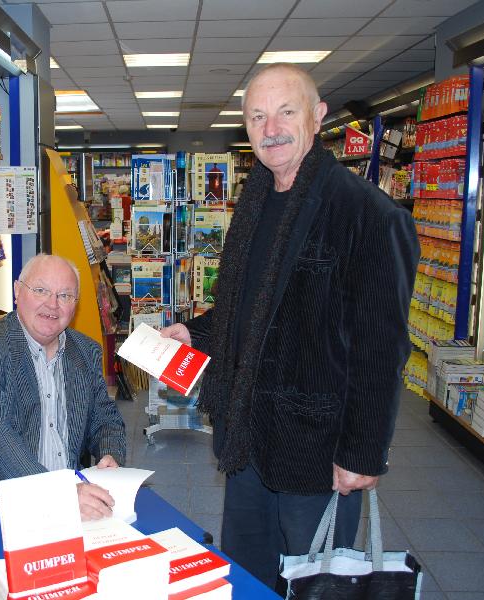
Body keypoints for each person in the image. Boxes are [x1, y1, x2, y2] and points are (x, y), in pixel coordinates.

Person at [161, 63, 420, 588]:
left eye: (286, 111)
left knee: (313, 584)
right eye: (257, 116)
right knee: (249, 579)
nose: (271, 127)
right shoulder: (255, 203)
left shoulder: (367, 214)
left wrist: (362, 454)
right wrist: (198, 334)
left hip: (317, 453)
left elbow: (381, 349)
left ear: (318, 115)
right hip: (248, 442)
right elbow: (250, 310)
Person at [0, 254, 126, 522]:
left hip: (70, 502)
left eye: (65, 296)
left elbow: (105, 418)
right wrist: (61, 493)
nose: (52, 304)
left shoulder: (85, 352)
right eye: (41, 290)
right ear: (18, 291)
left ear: (75, 304)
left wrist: (110, 455)